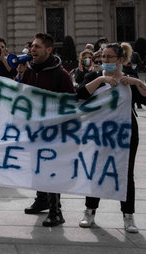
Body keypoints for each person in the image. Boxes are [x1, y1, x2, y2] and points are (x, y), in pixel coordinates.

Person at [76, 42, 146, 233]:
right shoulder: (94, 76)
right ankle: (89, 211)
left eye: (109, 57)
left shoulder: (129, 80)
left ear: (121, 60)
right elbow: (80, 95)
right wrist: (101, 81)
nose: (105, 61)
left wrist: (138, 83)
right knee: (97, 170)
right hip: (99, 134)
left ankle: (128, 216)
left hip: (125, 133)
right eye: (103, 57)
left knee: (125, 172)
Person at [18, 32, 75, 226]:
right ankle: (42, 199)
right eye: (32, 46)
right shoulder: (29, 70)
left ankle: (56, 210)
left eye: (37, 47)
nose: (32, 49)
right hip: (34, 129)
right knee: (37, 165)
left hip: (53, 131)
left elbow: (70, 102)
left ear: (48, 50)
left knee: (51, 169)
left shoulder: (61, 73)